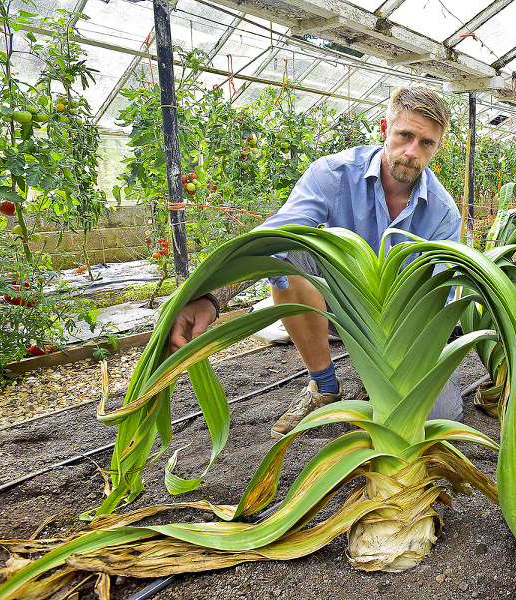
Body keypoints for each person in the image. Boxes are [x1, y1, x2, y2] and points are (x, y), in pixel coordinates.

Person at [169, 85, 463, 437]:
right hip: (342, 309)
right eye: (405, 135)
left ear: (437, 147)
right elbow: (275, 236)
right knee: (292, 254)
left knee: (438, 421)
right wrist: (212, 297)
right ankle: (324, 386)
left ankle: (381, 379)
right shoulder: (334, 174)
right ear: (385, 130)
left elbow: (438, 299)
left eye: (426, 143)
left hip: (405, 328)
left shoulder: (443, 212)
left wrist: (398, 371)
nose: (411, 152)